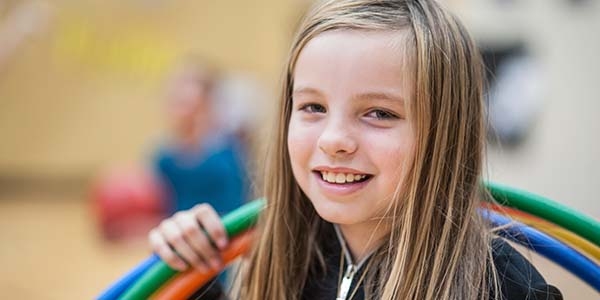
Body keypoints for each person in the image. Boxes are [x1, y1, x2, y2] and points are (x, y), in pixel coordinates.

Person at [148, 1, 563, 299]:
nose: (333, 140)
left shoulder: (503, 287)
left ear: (445, 133)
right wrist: (193, 278)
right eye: (313, 107)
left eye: (379, 113)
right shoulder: (284, 261)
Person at [153, 59, 249, 216]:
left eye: (190, 105)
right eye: (177, 103)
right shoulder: (164, 160)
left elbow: (235, 209)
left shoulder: (226, 159)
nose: (182, 113)